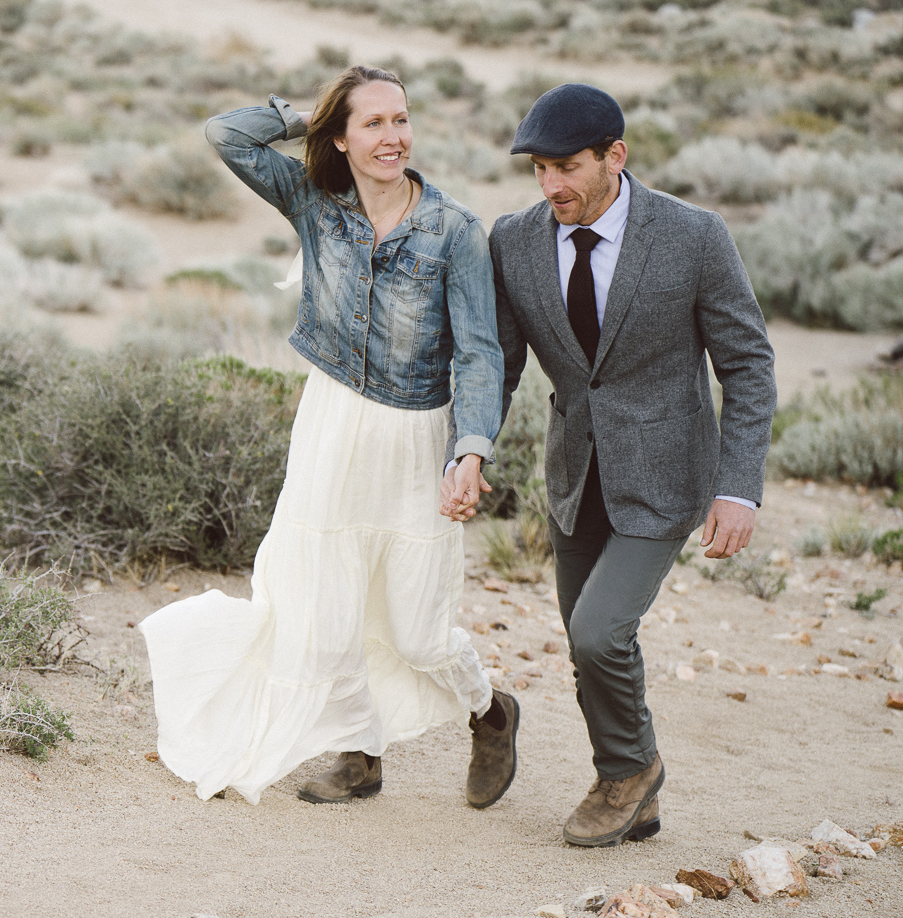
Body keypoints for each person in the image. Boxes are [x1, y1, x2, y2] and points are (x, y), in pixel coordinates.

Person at [140, 66, 520, 808]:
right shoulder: (314, 202)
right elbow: (228, 133)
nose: (393, 137)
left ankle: (491, 710)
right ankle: (360, 753)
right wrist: (301, 117)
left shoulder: (454, 231)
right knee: (324, 603)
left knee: (417, 630)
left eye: (401, 120)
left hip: (414, 436)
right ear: (340, 137)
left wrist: (470, 449)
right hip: (330, 421)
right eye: (373, 123)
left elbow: (481, 351)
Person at [442, 84, 777, 847]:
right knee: (588, 645)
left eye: (567, 168)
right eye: (539, 171)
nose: (552, 186)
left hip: (667, 473)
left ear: (614, 157)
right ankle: (639, 788)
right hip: (574, 473)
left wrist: (737, 486)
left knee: (599, 633)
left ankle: (623, 774)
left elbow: (748, 366)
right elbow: (497, 362)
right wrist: (471, 447)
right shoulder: (516, 240)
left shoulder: (694, 236)